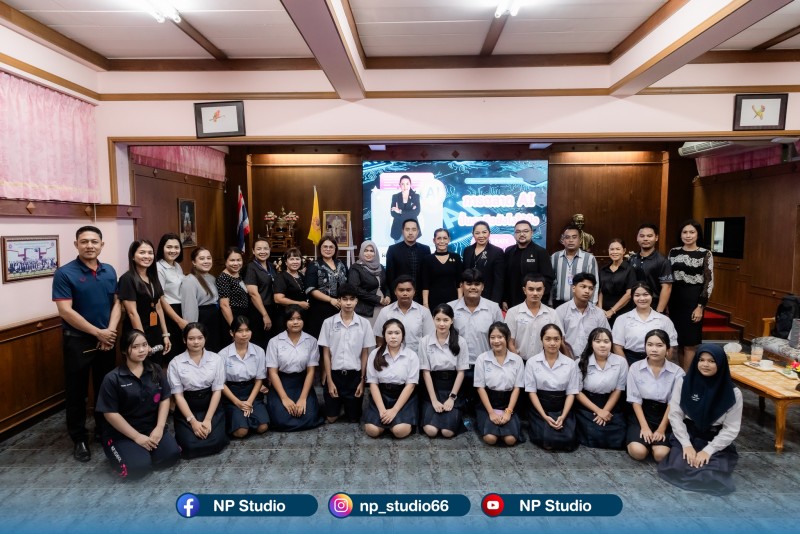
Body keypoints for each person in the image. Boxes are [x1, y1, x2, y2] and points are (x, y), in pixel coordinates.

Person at [53, 226, 122, 462]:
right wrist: (98, 333)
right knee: (77, 392)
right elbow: (65, 311)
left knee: (106, 388)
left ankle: (104, 430)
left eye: (94, 241)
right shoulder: (64, 273)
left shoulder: (109, 270)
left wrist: (110, 332)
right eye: (84, 241)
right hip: (78, 341)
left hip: (107, 339)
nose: (89, 245)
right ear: (76, 245)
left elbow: (117, 303)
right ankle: (79, 438)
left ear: (102, 244)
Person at [657, 344, 742, 495]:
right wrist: (686, 445)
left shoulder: (733, 393)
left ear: (721, 363)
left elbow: (731, 428)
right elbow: (675, 415)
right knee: (677, 468)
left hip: (713, 438)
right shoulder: (684, 382)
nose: (705, 364)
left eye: (711, 361)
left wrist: (708, 451)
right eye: (701, 360)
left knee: (709, 476)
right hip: (689, 434)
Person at [96, 329, 181, 479]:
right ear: (124, 350)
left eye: (144, 345)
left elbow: (165, 398)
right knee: (138, 468)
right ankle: (127, 453)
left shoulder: (155, 369)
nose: (142, 350)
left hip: (151, 427)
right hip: (122, 433)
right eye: (135, 347)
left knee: (171, 456)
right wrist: (136, 437)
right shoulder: (113, 378)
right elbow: (110, 413)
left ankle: (143, 453)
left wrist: (159, 428)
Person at [168, 322, 229, 459]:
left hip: (211, 406)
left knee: (216, 443)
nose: (196, 342)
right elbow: (178, 396)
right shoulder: (175, 363)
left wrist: (208, 419)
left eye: (200, 338)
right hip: (188, 408)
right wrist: (193, 422)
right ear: (184, 340)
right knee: (190, 446)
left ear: (205, 339)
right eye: (191, 338)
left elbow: (217, 390)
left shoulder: (216, 359)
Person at [448, 269, 504, 413]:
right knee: (459, 408)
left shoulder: (493, 308)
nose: (473, 287)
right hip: (457, 366)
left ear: (482, 287)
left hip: (485, 365)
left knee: (481, 408)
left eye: (477, 284)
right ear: (461, 286)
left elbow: (501, 337)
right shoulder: (451, 308)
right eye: (469, 283)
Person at [319, 283, 375, 423]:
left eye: (352, 299)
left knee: (354, 418)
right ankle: (338, 405)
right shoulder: (328, 323)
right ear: (339, 300)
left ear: (356, 301)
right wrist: (329, 381)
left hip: (354, 376)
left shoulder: (364, 324)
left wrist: (362, 381)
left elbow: (365, 353)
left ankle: (346, 405)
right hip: (335, 374)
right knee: (331, 418)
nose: (348, 303)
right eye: (344, 299)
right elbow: (326, 353)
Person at [626, 329, 685, 462]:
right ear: (645, 347)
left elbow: (673, 403)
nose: (654, 349)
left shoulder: (678, 372)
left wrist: (661, 429)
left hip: (666, 415)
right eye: (650, 345)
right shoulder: (635, 368)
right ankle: (643, 443)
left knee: (661, 455)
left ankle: (654, 444)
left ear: (668, 349)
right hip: (642, 413)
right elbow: (635, 400)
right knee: (638, 452)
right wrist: (644, 427)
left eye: (659, 345)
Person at [265, 306, 324, 431]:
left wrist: (303, 398)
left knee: (309, 417)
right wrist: (284, 398)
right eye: (291, 319)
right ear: (285, 322)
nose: (295, 322)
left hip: (302, 383)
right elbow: (273, 373)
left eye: (299, 318)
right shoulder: (274, 341)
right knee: (281, 420)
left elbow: (311, 372)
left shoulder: (311, 341)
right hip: (282, 382)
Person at [525, 324, 580, 451]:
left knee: (568, 440)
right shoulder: (532, 362)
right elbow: (532, 392)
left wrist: (563, 416)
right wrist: (544, 416)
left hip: (562, 407)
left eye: (556, 339)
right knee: (547, 440)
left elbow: (571, 393)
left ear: (561, 340)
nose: (552, 343)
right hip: (540, 408)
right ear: (541, 340)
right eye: (548, 339)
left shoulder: (570, 364)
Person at [668, 220, 714, 370]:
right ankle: (681, 375)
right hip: (675, 299)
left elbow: (709, 282)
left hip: (693, 300)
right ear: (680, 235)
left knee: (690, 343)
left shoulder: (705, 253)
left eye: (692, 232)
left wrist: (700, 306)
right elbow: (668, 277)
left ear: (698, 235)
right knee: (678, 342)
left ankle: (687, 378)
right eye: (685, 232)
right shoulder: (673, 252)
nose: (688, 235)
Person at [419, 304, 469, 438]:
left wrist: (452, 398)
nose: (442, 324)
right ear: (433, 319)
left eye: (446, 320)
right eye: (438, 319)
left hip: (453, 387)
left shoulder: (460, 342)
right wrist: (434, 400)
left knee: (447, 432)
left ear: (452, 320)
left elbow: (461, 372)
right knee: (431, 431)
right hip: (433, 387)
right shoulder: (424, 341)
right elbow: (426, 373)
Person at [363, 319, 419, 438]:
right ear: (384, 335)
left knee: (399, 431)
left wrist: (394, 410)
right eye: (389, 333)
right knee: (372, 431)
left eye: (397, 333)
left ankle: (396, 423)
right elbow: (373, 383)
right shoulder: (374, 354)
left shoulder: (411, 355)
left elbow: (410, 386)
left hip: (403, 396)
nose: (393, 336)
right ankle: (386, 422)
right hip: (381, 395)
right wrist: (382, 410)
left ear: (403, 335)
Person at [118, 239, 171, 364]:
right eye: (142, 252)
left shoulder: (153, 276)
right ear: (132, 256)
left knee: (156, 368)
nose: (147, 256)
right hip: (136, 334)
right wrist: (143, 342)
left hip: (155, 331)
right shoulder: (127, 278)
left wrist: (165, 334)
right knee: (140, 369)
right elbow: (132, 313)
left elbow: (158, 307)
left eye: (150, 253)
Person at [575, 328, 628, 449]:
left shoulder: (621, 362)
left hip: (611, 404)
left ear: (611, 343)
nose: (602, 345)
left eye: (606, 341)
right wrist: (598, 411)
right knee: (595, 433)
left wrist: (605, 410)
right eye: (598, 341)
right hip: (588, 405)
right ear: (591, 343)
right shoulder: (580, 362)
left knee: (619, 435)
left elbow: (618, 389)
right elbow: (577, 392)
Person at [473, 322, 524, 446]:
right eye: (492, 337)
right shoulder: (482, 359)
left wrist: (508, 412)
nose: (496, 341)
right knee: (490, 438)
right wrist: (491, 412)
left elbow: (517, 388)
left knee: (510, 440)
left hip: (508, 403)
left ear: (507, 338)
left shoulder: (517, 360)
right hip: (488, 403)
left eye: (500, 337)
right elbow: (480, 388)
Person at [219, 316, 269, 438]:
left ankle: (246, 419)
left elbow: (259, 379)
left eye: (247, 330)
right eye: (240, 331)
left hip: (252, 392)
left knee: (263, 427)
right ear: (232, 333)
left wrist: (250, 401)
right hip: (232, 394)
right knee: (241, 432)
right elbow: (221, 383)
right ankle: (240, 420)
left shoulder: (259, 351)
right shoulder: (222, 354)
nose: (244, 334)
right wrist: (237, 402)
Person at [612, 282, 678, 366]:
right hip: (630, 360)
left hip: (658, 361)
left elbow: (671, 346)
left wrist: (661, 366)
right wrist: (626, 368)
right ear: (632, 297)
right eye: (637, 295)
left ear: (651, 295)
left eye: (645, 294)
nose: (642, 298)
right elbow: (617, 347)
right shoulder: (622, 319)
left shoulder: (664, 320)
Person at [506, 274, 564, 362]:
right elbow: (510, 342)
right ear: (524, 290)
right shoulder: (513, 312)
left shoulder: (552, 313)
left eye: (539, 289)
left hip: (545, 362)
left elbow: (559, 339)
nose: (535, 293)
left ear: (543, 290)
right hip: (519, 360)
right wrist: (518, 361)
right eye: (531, 289)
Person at [373, 275, 435, 354]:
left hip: (417, 358)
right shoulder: (385, 312)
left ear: (414, 292)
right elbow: (380, 339)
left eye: (408, 290)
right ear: (395, 292)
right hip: (391, 358)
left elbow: (429, 339)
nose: (405, 293)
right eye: (401, 290)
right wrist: (380, 358)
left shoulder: (424, 312)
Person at [503, 220, 555, 310]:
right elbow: (505, 278)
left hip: (535, 302)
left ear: (531, 233)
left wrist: (539, 298)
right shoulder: (509, 251)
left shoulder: (541, 252)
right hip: (512, 302)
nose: (522, 234)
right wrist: (504, 299)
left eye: (525, 231)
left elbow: (548, 279)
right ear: (514, 234)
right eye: (518, 232)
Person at [555, 272, 610, 357]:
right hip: (566, 358)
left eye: (591, 288)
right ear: (573, 288)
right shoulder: (560, 311)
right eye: (583, 287)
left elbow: (606, 338)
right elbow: (558, 339)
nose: (587, 291)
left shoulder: (599, 313)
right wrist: (569, 360)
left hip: (593, 358)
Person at [180, 247, 223, 352]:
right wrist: (192, 331)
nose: (206, 261)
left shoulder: (212, 278)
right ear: (194, 262)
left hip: (214, 320)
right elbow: (189, 309)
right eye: (202, 258)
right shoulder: (189, 280)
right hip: (202, 321)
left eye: (209, 258)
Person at [304, 235, 348, 338]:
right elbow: (311, 289)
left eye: (331, 247)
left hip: (340, 308)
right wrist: (330, 300)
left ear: (335, 249)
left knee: (339, 339)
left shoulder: (341, 264)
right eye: (325, 246)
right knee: (322, 338)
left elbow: (347, 284)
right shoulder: (314, 265)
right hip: (320, 309)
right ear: (320, 248)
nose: (328, 249)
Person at [550, 224, 599, 308]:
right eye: (567, 237)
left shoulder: (589, 258)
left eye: (574, 237)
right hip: (558, 303)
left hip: (581, 304)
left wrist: (592, 304)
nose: (571, 240)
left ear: (580, 240)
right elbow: (550, 281)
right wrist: (550, 303)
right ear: (563, 240)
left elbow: (595, 283)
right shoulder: (555, 257)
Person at [385, 218, 431, 303]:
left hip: (420, 297)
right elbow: (390, 277)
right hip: (400, 296)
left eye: (414, 229)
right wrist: (393, 297)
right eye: (407, 229)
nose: (410, 233)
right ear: (402, 231)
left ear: (418, 232)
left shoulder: (425, 249)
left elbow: (427, 275)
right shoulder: (393, 250)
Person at [630, 223, 673, 313]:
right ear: (637, 238)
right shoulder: (632, 259)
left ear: (656, 238)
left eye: (649, 236)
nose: (645, 239)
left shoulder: (662, 261)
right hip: (632, 306)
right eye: (642, 236)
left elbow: (667, 288)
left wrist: (659, 312)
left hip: (654, 305)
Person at [244, 238, 279, 349]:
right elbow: (253, 294)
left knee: (271, 342)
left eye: (265, 248)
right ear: (253, 251)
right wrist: (265, 315)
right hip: (258, 311)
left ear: (269, 250)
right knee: (260, 344)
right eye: (259, 249)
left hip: (272, 308)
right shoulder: (251, 267)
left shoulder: (271, 266)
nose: (262, 251)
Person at [156, 233, 186, 358]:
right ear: (162, 248)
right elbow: (160, 299)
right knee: (173, 353)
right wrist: (178, 320)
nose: (173, 250)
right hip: (169, 312)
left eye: (176, 247)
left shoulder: (177, 265)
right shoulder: (159, 268)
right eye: (169, 247)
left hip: (180, 309)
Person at [348, 240, 390, 325]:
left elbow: (385, 285)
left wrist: (388, 295)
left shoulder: (380, 267)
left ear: (375, 253)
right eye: (366, 250)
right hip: (365, 309)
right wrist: (378, 299)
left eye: (371, 251)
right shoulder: (355, 268)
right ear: (361, 252)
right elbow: (355, 289)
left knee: (381, 331)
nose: (368, 253)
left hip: (382, 306)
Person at [462, 221, 505, 303]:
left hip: (488, 297)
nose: (481, 236)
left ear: (489, 233)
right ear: (473, 234)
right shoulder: (467, 250)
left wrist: (495, 302)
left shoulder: (497, 252)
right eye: (477, 233)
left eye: (484, 232)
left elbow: (499, 280)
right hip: (469, 296)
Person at [599, 238, 637, 326]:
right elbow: (600, 291)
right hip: (604, 313)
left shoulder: (629, 269)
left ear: (624, 251)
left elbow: (628, 294)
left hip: (623, 312)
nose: (614, 252)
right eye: (612, 249)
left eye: (618, 249)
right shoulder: (603, 269)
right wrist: (600, 309)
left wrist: (612, 311)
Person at [421, 228, 463, 309]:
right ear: (434, 240)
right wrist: (425, 304)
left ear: (449, 240)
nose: (442, 241)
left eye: (445, 238)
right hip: (433, 301)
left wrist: (460, 301)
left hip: (453, 300)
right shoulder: (427, 259)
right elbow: (425, 285)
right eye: (439, 238)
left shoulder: (456, 257)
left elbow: (459, 283)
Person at [216, 247, 250, 341]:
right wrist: (234, 328)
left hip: (242, 316)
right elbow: (224, 305)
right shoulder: (224, 278)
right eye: (232, 260)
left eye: (238, 260)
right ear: (226, 261)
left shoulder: (238, 274)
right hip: (232, 317)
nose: (236, 263)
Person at [273, 247, 311, 326]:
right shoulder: (281, 277)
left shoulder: (301, 275)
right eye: (291, 259)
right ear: (286, 262)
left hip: (300, 315)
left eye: (297, 259)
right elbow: (278, 299)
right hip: (286, 316)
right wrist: (299, 303)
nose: (295, 262)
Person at [389, 175, 421, 242]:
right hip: (398, 230)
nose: (405, 186)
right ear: (400, 185)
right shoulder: (395, 197)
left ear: (410, 184)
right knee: (398, 248)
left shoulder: (415, 196)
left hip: (411, 230)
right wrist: (409, 213)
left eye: (407, 184)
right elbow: (393, 213)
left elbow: (416, 212)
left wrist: (400, 211)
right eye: (402, 184)